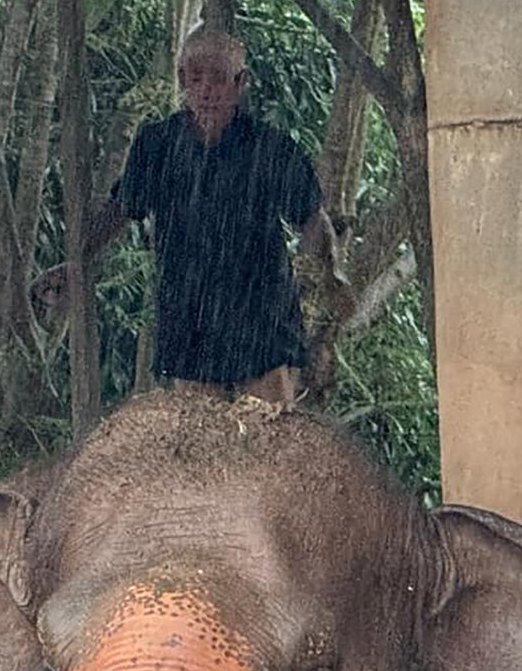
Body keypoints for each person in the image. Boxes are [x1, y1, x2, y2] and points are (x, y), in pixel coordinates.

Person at [37, 28, 351, 407]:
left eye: (218, 79)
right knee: (200, 440)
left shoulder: (271, 148)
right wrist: (77, 261)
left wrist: (329, 275)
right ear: (181, 79)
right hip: (190, 316)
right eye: (196, 78)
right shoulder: (157, 145)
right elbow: (121, 208)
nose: (206, 91)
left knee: (271, 435)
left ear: (240, 83)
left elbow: (313, 219)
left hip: (261, 317)